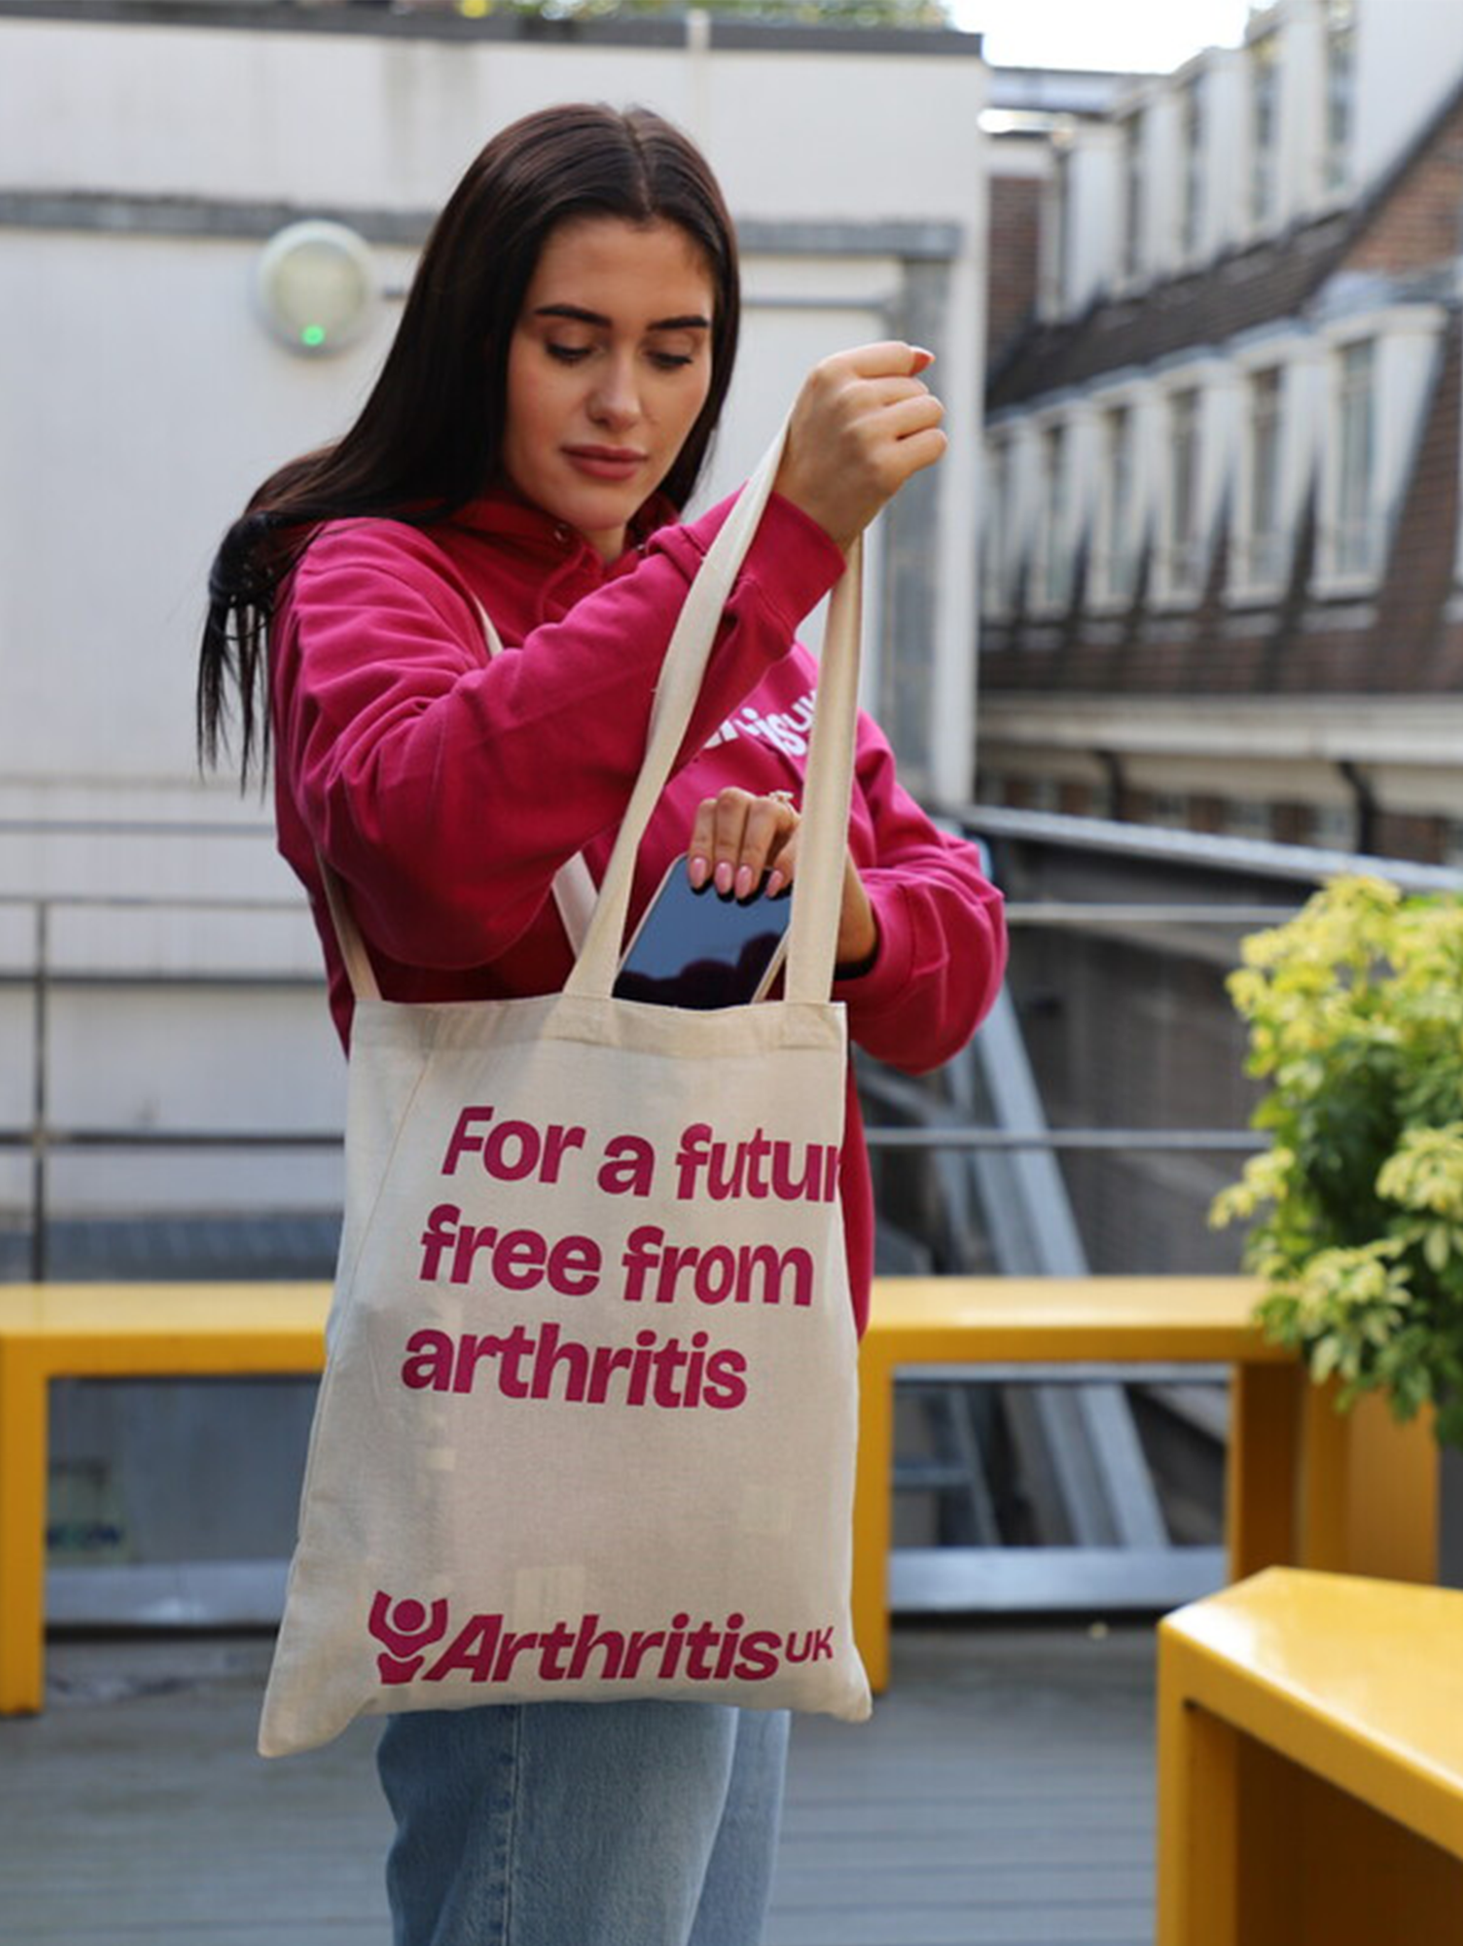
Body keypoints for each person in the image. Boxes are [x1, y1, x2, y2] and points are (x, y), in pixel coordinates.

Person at [198, 101, 1006, 1946]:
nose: (622, 405)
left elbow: (950, 963)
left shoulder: (765, 632)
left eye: (675, 350)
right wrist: (759, 552)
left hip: (742, 1386)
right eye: (569, 343)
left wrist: (838, 907)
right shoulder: (379, 572)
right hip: (537, 1393)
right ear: (472, 328)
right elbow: (417, 850)